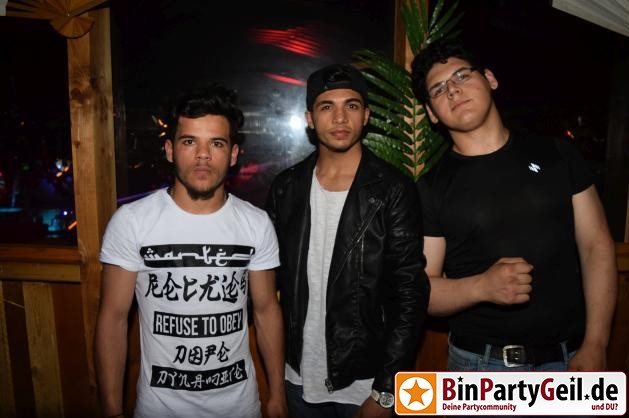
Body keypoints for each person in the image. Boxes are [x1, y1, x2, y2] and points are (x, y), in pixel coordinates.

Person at [410, 38, 617, 371]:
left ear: (490, 79)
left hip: (571, 358)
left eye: (462, 75)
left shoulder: (557, 154)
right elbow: (423, 290)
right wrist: (481, 287)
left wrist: (596, 343)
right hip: (480, 365)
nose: (453, 90)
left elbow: (597, 246)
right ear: (432, 113)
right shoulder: (430, 188)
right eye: (438, 89)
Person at [95, 85, 288, 418]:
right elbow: (113, 318)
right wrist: (112, 410)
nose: (202, 155)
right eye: (189, 142)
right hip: (159, 410)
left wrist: (278, 396)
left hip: (239, 408)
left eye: (216, 143)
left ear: (233, 154)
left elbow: (267, 311)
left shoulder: (256, 224)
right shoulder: (132, 222)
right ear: (170, 150)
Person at [266, 63, 430, 418]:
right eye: (327, 106)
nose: (340, 118)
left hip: (365, 383)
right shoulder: (286, 188)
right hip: (296, 379)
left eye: (351, 106)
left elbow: (410, 293)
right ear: (310, 118)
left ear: (366, 115)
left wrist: (387, 391)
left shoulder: (393, 189)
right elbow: (270, 290)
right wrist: (276, 385)